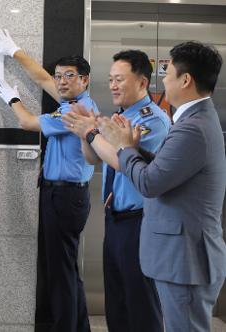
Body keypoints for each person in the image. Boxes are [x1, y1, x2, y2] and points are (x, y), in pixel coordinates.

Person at [97, 41, 226, 332]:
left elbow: (149, 182)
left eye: (167, 73)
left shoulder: (193, 127)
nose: (163, 80)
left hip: (185, 259)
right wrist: (134, 149)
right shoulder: (195, 120)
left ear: (185, 80)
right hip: (180, 256)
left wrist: (126, 149)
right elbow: (165, 169)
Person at [0, 28, 99, 332]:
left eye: (69, 76)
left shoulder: (77, 112)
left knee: (60, 273)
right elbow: (41, 78)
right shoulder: (73, 104)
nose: (61, 81)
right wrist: (14, 50)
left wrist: (12, 97)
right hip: (64, 195)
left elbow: (27, 122)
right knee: (66, 269)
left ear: (85, 80)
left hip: (65, 198)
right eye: (59, 76)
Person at [62, 49, 170, 332]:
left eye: (120, 79)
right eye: (110, 79)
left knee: (141, 306)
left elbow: (121, 162)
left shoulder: (151, 121)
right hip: (115, 220)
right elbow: (92, 158)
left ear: (143, 82)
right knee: (118, 306)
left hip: (140, 223)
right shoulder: (119, 117)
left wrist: (90, 132)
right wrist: (83, 134)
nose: (112, 85)